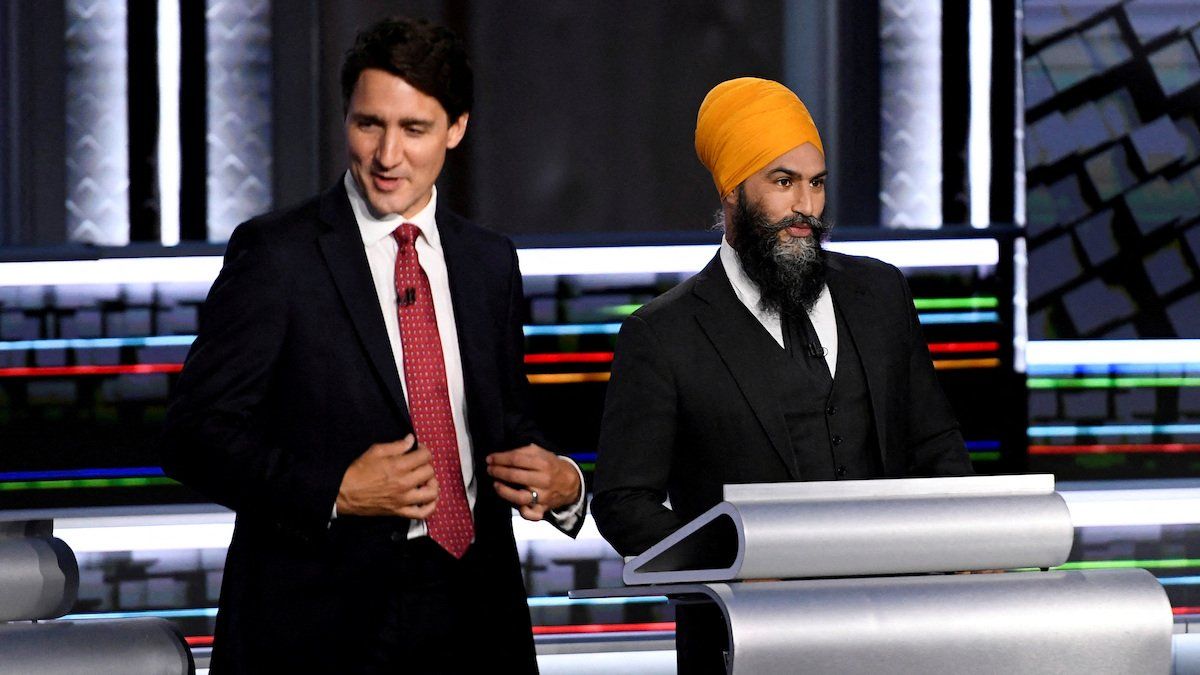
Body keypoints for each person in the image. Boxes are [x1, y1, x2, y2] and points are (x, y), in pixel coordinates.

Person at [161, 17, 584, 674]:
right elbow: (192, 434)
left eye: (413, 129)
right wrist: (336, 488)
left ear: (457, 129)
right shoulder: (278, 256)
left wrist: (563, 483)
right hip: (321, 626)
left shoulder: (488, 261)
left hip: (474, 614)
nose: (387, 155)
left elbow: (507, 429)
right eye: (368, 124)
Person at [592, 77, 973, 558]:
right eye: (783, 181)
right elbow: (623, 502)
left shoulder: (880, 293)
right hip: (749, 621)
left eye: (816, 183)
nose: (806, 207)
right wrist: (733, 562)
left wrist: (965, 546)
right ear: (732, 190)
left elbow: (936, 444)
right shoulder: (663, 334)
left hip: (892, 608)